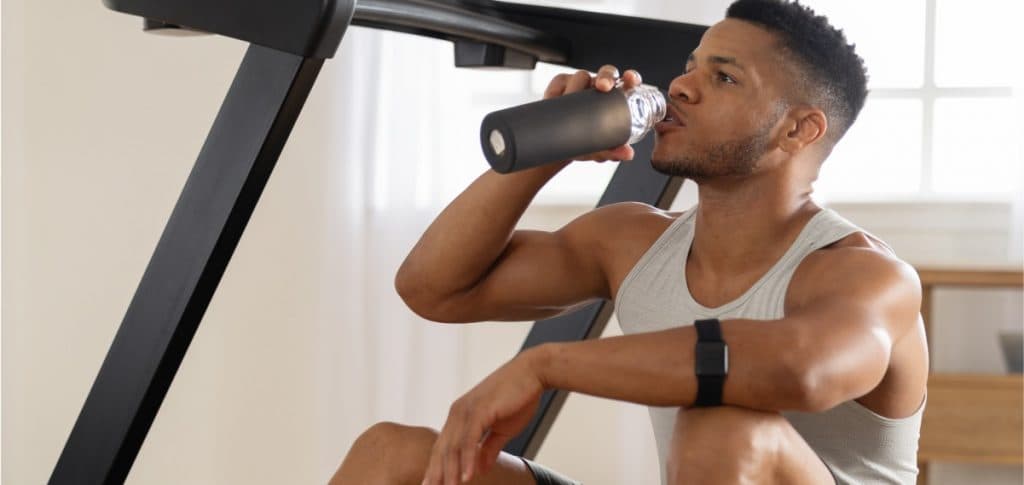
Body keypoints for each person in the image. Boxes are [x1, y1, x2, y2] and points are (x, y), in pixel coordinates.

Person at [329, 0, 928, 483]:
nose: (682, 87)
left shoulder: (866, 276)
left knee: (723, 429)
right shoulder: (633, 241)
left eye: (723, 77)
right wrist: (547, 150)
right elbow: (433, 289)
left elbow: (800, 371)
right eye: (690, 67)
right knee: (391, 455)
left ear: (798, 129)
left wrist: (545, 365)